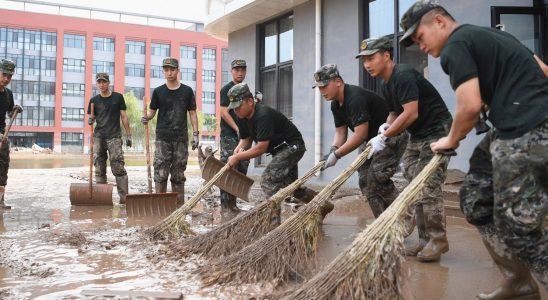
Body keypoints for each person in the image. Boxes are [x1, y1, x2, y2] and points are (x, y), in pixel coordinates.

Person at [400, 0, 547, 297]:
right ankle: (518, 282)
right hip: (512, 129)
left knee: (518, 226)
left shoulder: (456, 45)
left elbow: (468, 106)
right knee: (477, 200)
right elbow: (543, 69)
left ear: (440, 22)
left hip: (527, 130)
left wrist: (450, 140)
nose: (421, 47)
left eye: (421, 37)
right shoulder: (496, 36)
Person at [360, 36, 453, 262]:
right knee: (413, 185)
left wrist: (385, 135)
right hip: (418, 134)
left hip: (438, 130)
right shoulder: (386, 83)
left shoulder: (402, 75)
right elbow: (395, 112)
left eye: (371, 58)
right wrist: (385, 126)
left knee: (428, 185)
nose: (367, 64)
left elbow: (411, 113)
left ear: (386, 55)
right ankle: (424, 240)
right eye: (364, 60)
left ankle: (438, 240)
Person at [226, 83, 333, 222]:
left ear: (250, 102)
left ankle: (273, 223)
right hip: (280, 150)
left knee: (268, 180)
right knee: (293, 189)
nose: (236, 110)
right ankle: (323, 206)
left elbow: (261, 148)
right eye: (233, 108)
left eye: (238, 106)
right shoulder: (241, 117)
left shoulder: (263, 115)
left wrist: (238, 156)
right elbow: (246, 139)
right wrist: (237, 150)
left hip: (292, 146)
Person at [314, 63, 408, 219]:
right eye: (319, 88)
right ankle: (383, 221)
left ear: (338, 81)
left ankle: (404, 214)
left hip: (391, 137)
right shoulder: (335, 105)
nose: (321, 91)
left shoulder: (355, 98)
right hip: (374, 143)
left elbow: (360, 135)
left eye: (324, 86)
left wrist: (337, 155)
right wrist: (333, 149)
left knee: (376, 177)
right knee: (364, 180)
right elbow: (340, 132)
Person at [141, 57, 199, 205]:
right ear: (163, 71)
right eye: (166, 70)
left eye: (172, 69)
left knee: (178, 173)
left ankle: (178, 205)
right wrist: (146, 117)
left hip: (181, 138)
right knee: (161, 172)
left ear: (178, 71)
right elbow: (152, 112)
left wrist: (196, 134)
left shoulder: (187, 91)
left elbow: (192, 113)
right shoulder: (159, 92)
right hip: (163, 138)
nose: (169, 73)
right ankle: (159, 205)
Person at [87, 72, 131, 204]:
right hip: (99, 136)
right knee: (99, 165)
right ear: (97, 84)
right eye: (99, 82)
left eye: (104, 82)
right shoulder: (94, 100)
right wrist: (90, 119)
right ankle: (102, 198)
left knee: (117, 165)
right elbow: (93, 117)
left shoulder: (118, 98)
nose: (102, 84)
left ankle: (124, 199)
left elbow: (123, 116)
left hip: (114, 136)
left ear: (108, 83)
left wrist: (128, 134)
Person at [218, 59, 250, 212]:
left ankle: (233, 203)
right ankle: (225, 204)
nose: (240, 73)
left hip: (245, 138)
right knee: (228, 168)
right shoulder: (226, 89)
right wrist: (237, 129)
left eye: (243, 70)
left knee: (241, 170)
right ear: (231, 71)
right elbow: (224, 111)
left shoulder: (246, 90)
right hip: (229, 136)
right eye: (237, 70)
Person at [0, 59, 22, 210]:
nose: (6, 79)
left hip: (3, 135)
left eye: (9, 76)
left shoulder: (8, 93)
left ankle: (0, 201)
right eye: (4, 75)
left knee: (3, 167)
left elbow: (8, 112)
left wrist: (15, 109)